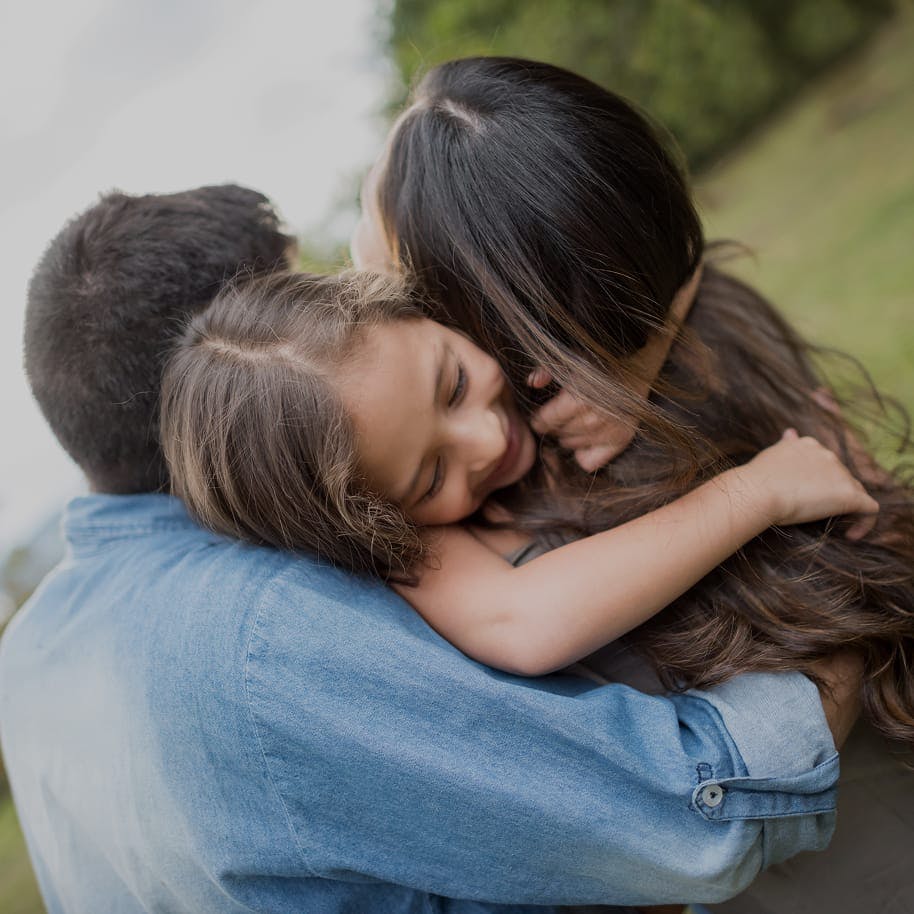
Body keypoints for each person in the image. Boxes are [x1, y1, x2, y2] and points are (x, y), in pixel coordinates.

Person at [0, 186, 857, 913]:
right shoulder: (269, 629)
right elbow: (704, 809)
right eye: (300, 285)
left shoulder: (30, 662)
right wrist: (847, 567)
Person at [353, 57, 914, 911]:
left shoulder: (475, 503)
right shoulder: (710, 327)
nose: (362, 254)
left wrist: (637, 356)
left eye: (376, 225)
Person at [160, 269, 877, 684]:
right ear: (374, 520)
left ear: (415, 305)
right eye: (430, 476)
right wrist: (761, 490)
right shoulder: (412, 548)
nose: (486, 437)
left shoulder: (458, 287)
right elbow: (524, 623)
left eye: (452, 384)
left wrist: (639, 359)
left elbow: (671, 250)